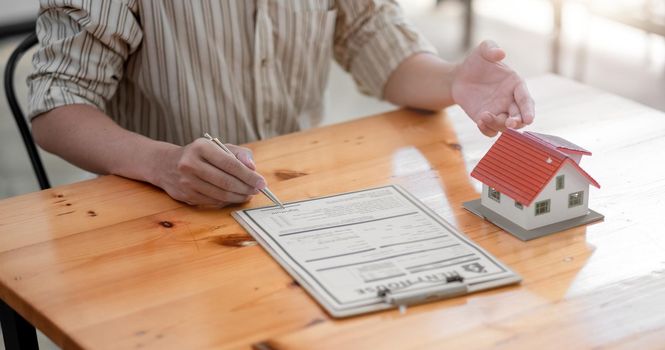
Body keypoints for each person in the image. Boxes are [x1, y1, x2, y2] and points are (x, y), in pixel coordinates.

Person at [28, 1, 534, 207]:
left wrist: (454, 80)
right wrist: (161, 163)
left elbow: (373, 40)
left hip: (290, 202)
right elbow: (57, 106)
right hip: (160, 208)